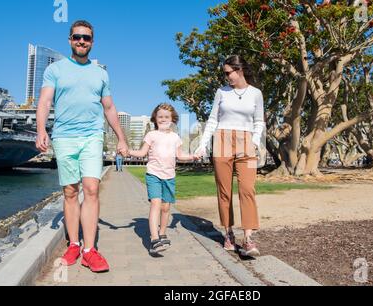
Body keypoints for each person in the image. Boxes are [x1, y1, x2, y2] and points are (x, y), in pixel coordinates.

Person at [36, 20, 128, 273]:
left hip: (91, 136)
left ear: (92, 42)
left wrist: (121, 137)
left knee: (91, 188)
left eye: (86, 38)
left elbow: (109, 107)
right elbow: (44, 101)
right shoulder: (55, 70)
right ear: (69, 40)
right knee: (70, 191)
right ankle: (73, 244)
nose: (81, 41)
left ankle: (90, 250)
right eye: (77, 37)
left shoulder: (100, 73)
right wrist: (41, 129)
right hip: (64, 136)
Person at [195, 55, 265, 257]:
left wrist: (254, 141)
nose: (226, 77)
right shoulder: (221, 92)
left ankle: (248, 239)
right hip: (222, 140)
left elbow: (259, 121)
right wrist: (202, 144)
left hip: (247, 142)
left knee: (247, 189)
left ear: (239, 69)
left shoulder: (255, 93)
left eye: (228, 73)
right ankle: (228, 234)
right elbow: (212, 120)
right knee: (224, 191)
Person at [127, 103, 197, 255]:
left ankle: (162, 233)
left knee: (166, 208)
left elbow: (180, 155)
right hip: (153, 174)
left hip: (169, 176)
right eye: (160, 117)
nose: (163, 119)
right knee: (156, 204)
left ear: (172, 119)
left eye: (166, 117)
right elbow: (142, 152)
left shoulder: (175, 137)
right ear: (155, 118)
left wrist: (193, 156)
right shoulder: (151, 135)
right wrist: (128, 151)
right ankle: (154, 239)